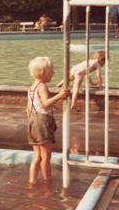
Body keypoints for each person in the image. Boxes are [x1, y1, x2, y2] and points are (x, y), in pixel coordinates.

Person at [27, 57, 70, 185]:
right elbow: (46, 103)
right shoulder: (42, 87)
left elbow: (28, 109)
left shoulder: (31, 88)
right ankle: (47, 182)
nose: (53, 73)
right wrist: (60, 95)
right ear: (43, 73)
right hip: (42, 122)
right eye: (51, 70)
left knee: (37, 157)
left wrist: (32, 123)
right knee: (46, 157)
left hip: (32, 122)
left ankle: (32, 181)